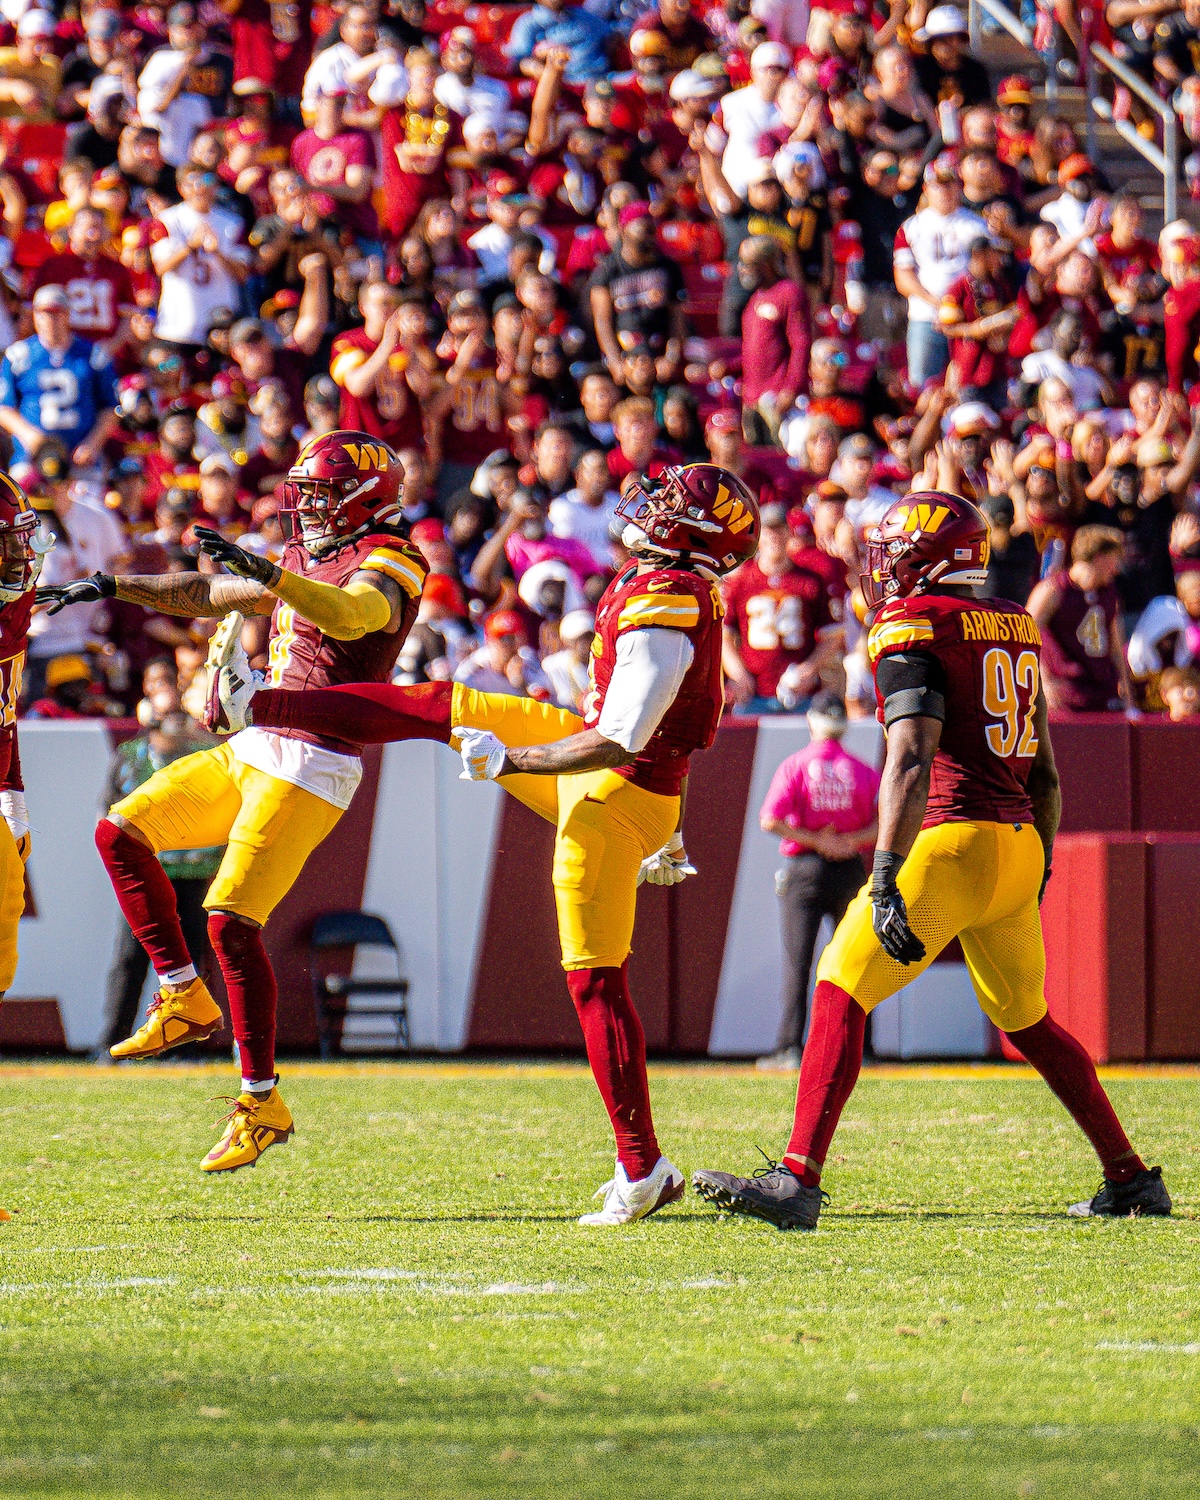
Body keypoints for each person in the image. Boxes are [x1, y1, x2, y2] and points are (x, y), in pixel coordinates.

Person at [213, 463, 761, 1225]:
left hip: (612, 795)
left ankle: (643, 1169)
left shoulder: (669, 611)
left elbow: (618, 741)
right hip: (623, 781)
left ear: (693, 533)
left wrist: (515, 763)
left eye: (670, 503)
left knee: (595, 983)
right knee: (448, 704)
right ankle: (261, 706)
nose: (650, 504)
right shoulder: (665, 586)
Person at [694, 490, 1171, 1229]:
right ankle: (1131, 1177)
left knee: (839, 985)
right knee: (1030, 1020)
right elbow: (1044, 773)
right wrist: (1035, 869)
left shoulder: (914, 623)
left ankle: (798, 1178)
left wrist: (884, 873)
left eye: (894, 553)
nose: (883, 570)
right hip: (1014, 846)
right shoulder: (1012, 621)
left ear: (930, 554)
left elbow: (911, 759)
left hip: (956, 841)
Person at [36, 433, 429, 1173]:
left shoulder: (394, 558)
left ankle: (261, 1102)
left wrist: (274, 580)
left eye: (320, 494)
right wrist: (117, 586)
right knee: (121, 832)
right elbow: (211, 593)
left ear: (364, 499)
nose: (307, 508)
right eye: (305, 493)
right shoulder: (303, 557)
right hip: (255, 744)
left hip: (313, 763)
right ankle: (182, 995)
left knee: (229, 920)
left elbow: (352, 618)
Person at [756, 691, 878, 1072]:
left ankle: (790, 1048)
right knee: (857, 961)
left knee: (799, 962)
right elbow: (884, 822)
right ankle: (859, 1050)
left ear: (812, 722)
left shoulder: (795, 765)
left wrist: (815, 840)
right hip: (851, 870)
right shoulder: (862, 770)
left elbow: (769, 819)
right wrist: (848, 842)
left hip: (805, 870)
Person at [98, 706, 222, 1056]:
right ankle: (112, 1040)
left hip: (194, 872)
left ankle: (188, 1047)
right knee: (130, 959)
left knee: (194, 957)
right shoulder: (132, 758)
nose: (173, 737)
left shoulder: (202, 755)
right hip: (146, 871)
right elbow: (107, 812)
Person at [0, 477, 48, 1021]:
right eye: (9, 542)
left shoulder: (14, 610)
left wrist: (12, 791)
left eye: (23, 539)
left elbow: (4, 718)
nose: (22, 556)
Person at [722, 502, 839, 712]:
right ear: (758, 537)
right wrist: (738, 673)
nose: (774, 537)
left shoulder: (809, 581)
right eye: (768, 531)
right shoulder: (741, 582)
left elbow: (832, 636)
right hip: (754, 694)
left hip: (799, 693)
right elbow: (725, 637)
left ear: (789, 533)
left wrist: (809, 669)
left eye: (779, 530)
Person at [0, 286, 119, 467]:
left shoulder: (93, 355)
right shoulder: (18, 356)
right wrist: (31, 437)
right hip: (33, 459)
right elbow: (4, 408)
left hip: (82, 459)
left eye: (56, 312)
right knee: (17, 489)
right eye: (43, 312)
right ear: (34, 315)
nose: (50, 319)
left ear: (68, 314)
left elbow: (111, 407)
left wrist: (92, 443)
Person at [1026, 526, 1131, 713]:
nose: (1116, 569)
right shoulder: (1053, 590)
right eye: (1115, 560)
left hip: (1102, 691)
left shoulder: (1109, 593)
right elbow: (1025, 636)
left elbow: (1115, 645)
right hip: (1065, 692)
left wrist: (1127, 693)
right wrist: (1043, 682)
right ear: (1099, 557)